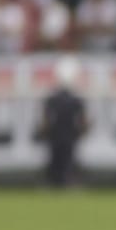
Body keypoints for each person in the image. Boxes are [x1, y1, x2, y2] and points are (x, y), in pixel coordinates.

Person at [39, 55, 89, 188]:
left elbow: (45, 119)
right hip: (68, 134)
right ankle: (65, 181)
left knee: (57, 160)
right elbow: (83, 120)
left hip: (56, 134)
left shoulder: (53, 99)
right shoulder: (75, 100)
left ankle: (55, 182)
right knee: (67, 160)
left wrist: (44, 131)